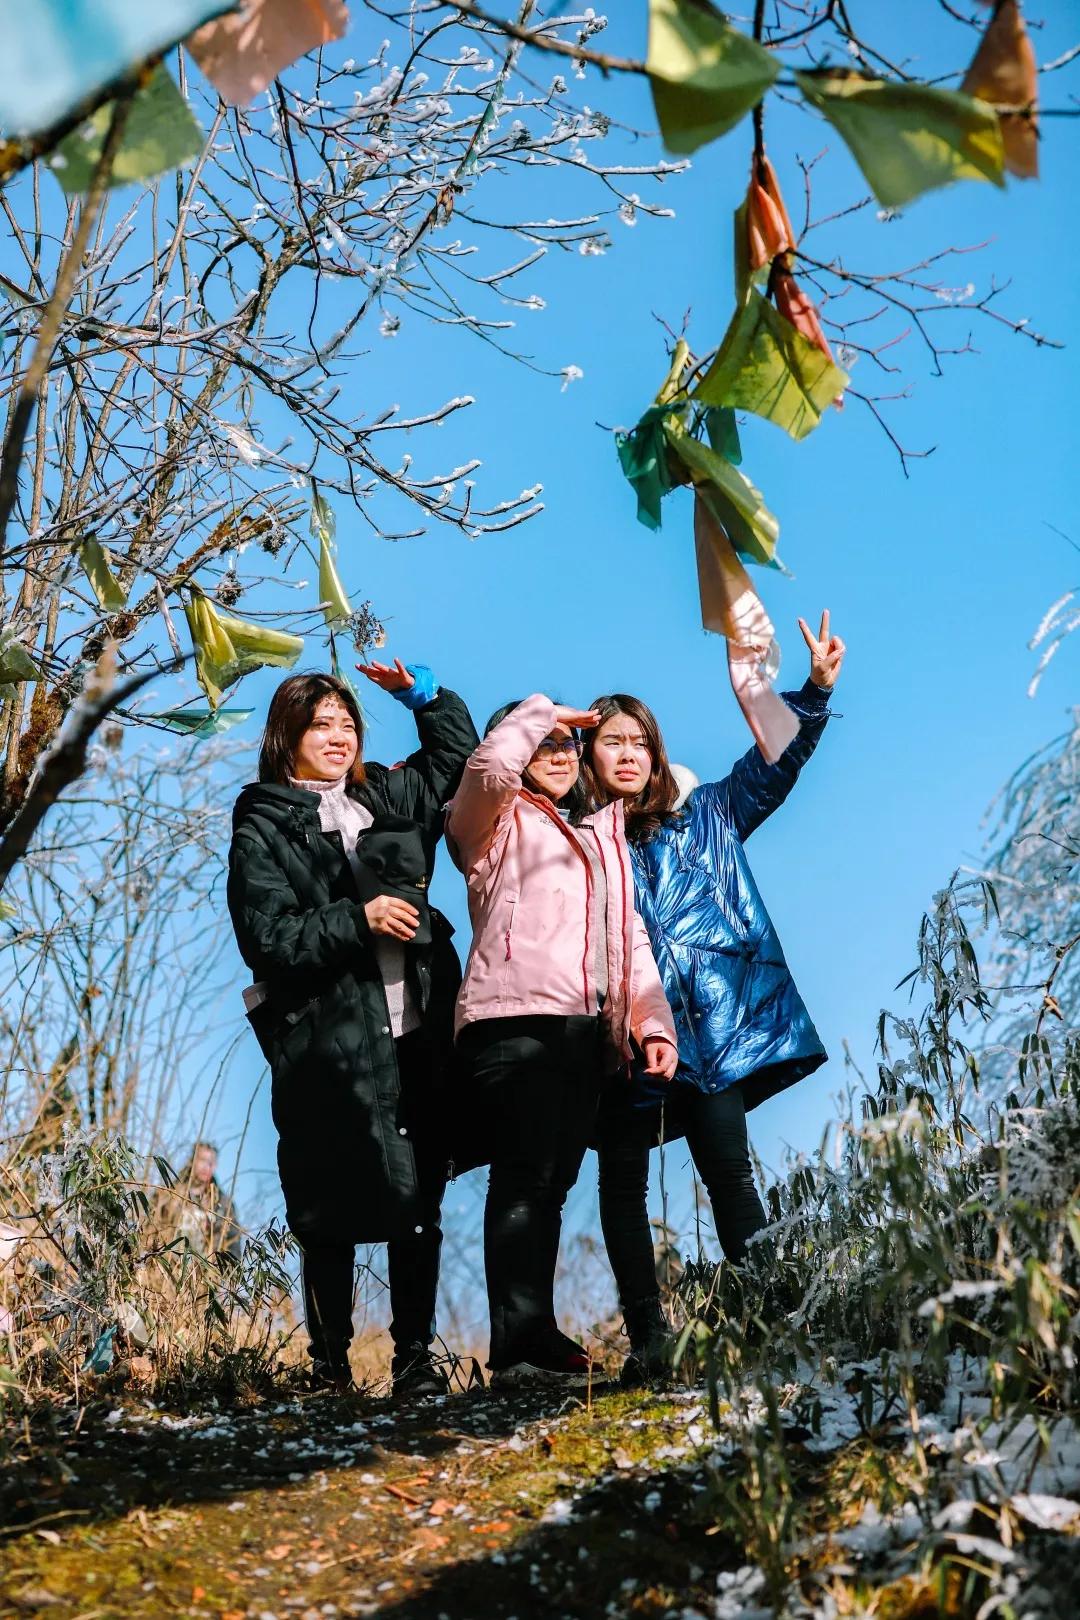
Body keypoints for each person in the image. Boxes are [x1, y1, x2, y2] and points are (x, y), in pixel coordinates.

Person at [582, 612, 846, 1384]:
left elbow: (772, 762)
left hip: (718, 1032)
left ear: (656, 754)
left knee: (731, 1175)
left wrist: (815, 691)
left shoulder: (708, 817)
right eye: (612, 742)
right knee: (622, 1185)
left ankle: (775, 1326)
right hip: (624, 1037)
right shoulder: (580, 846)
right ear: (588, 756)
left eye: (639, 741)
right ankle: (648, 1342)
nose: (629, 754)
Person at [227, 659, 478, 1397]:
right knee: (327, 1198)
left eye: (347, 724)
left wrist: (426, 698)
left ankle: (413, 1360)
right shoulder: (264, 821)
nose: (338, 737)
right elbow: (267, 936)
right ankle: (329, 1367)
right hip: (326, 1041)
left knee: (420, 1198)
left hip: (416, 1030)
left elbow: (453, 768)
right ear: (287, 737)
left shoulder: (382, 794)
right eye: (320, 725)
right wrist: (357, 919)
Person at [446, 693, 678, 1387]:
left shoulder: (596, 835)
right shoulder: (492, 821)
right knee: (520, 1178)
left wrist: (651, 1022)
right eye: (544, 745)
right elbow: (488, 768)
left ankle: (536, 1336)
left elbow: (628, 937)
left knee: (551, 1184)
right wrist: (541, 712)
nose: (559, 755)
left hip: (587, 1032)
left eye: (565, 746)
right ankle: (516, 1342)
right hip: (512, 1019)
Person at [159, 1141, 243, 1261]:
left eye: (211, 1162)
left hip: (205, 1273)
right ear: (192, 1161)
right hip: (169, 1267)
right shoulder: (171, 1193)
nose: (206, 1166)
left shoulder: (223, 1204)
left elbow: (233, 1244)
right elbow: (153, 1224)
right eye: (202, 1160)